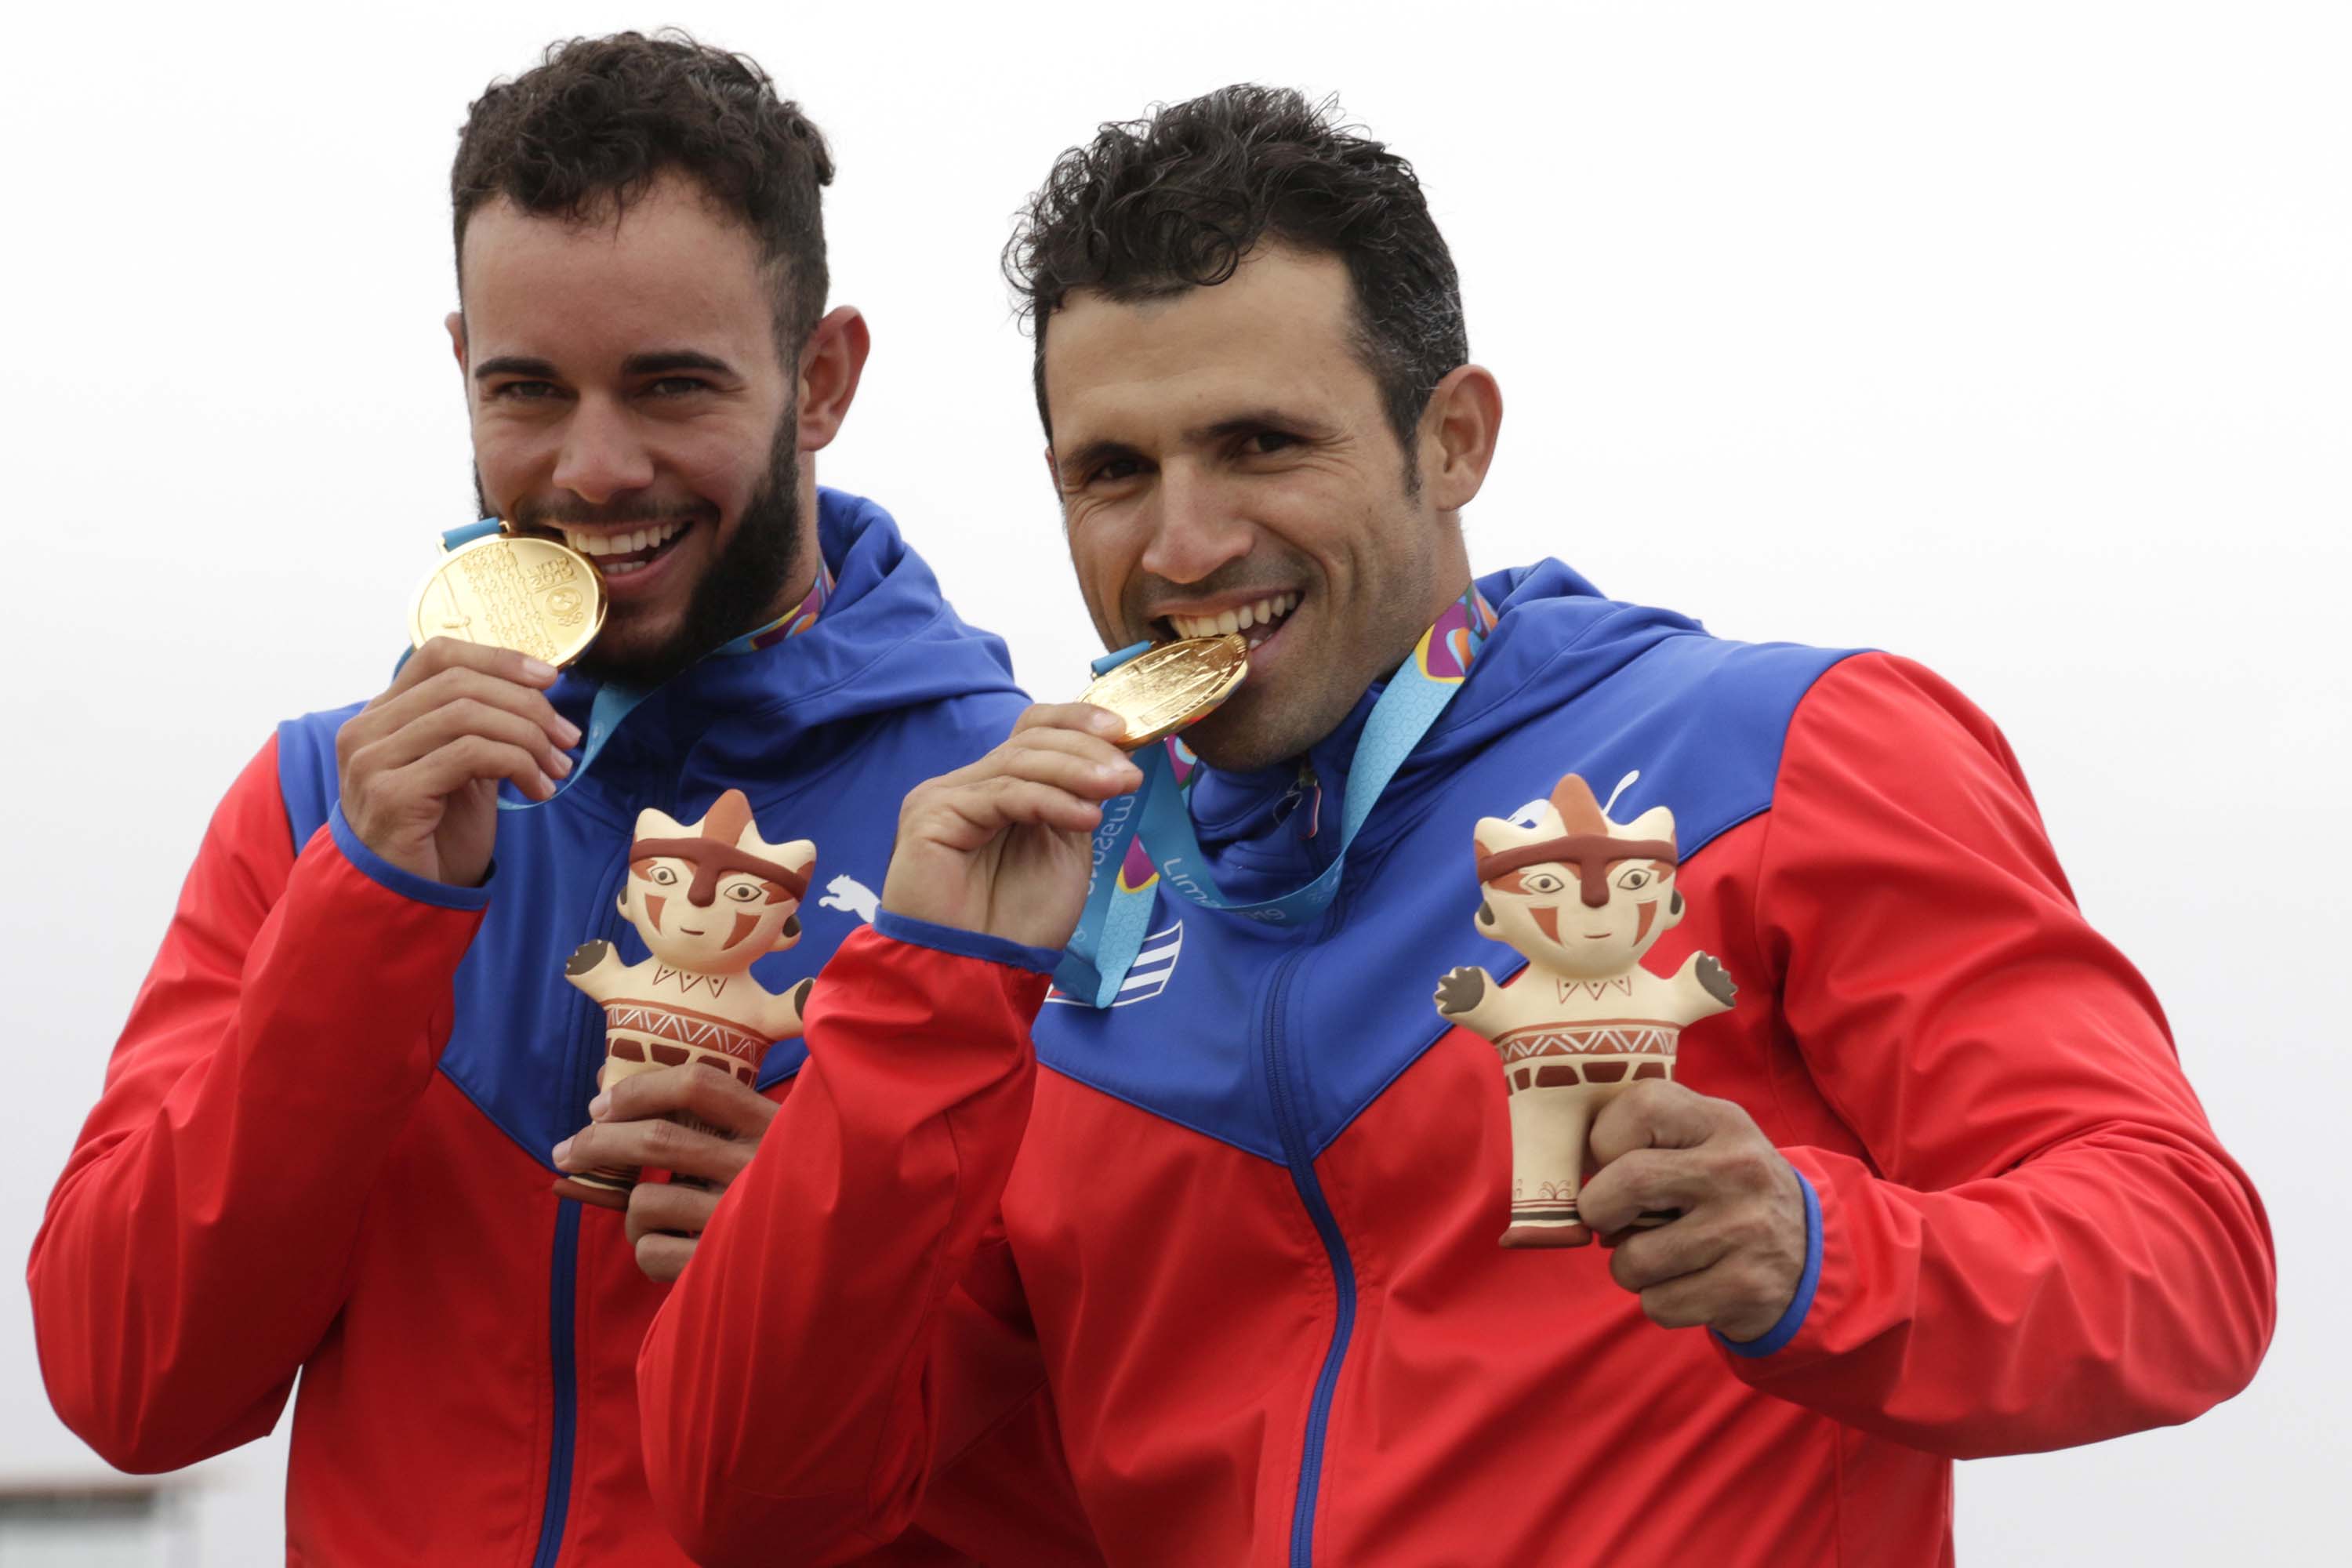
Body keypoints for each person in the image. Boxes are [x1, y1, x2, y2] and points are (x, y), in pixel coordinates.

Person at [637, 85, 2277, 1566]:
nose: (1186, 543)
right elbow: (754, 1502)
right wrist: (924, 983)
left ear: (1455, 437)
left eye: (1262, 443)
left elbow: (2185, 1260)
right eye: (1114, 471)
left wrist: (1819, 1249)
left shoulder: (1780, 749)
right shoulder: (1052, 920)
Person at [28, 33, 1095, 1568]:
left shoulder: (1032, 829)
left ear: (825, 377)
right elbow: (133, 1387)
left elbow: (1148, 1408)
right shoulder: (321, 800)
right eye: (529, 388)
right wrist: (374, 915)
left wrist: (825, 1244)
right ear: (463, 364)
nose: (595, 469)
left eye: (671, 385)